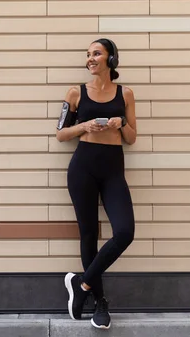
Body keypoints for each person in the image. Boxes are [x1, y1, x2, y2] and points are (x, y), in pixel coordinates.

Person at [55, 38, 136, 329]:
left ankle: (82, 283)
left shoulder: (125, 93)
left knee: (125, 231)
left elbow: (132, 137)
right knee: (89, 235)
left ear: (111, 59)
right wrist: (84, 126)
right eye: (88, 55)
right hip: (83, 168)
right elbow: (60, 134)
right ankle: (99, 303)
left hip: (113, 170)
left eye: (96, 54)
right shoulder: (76, 92)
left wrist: (120, 124)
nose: (90, 59)